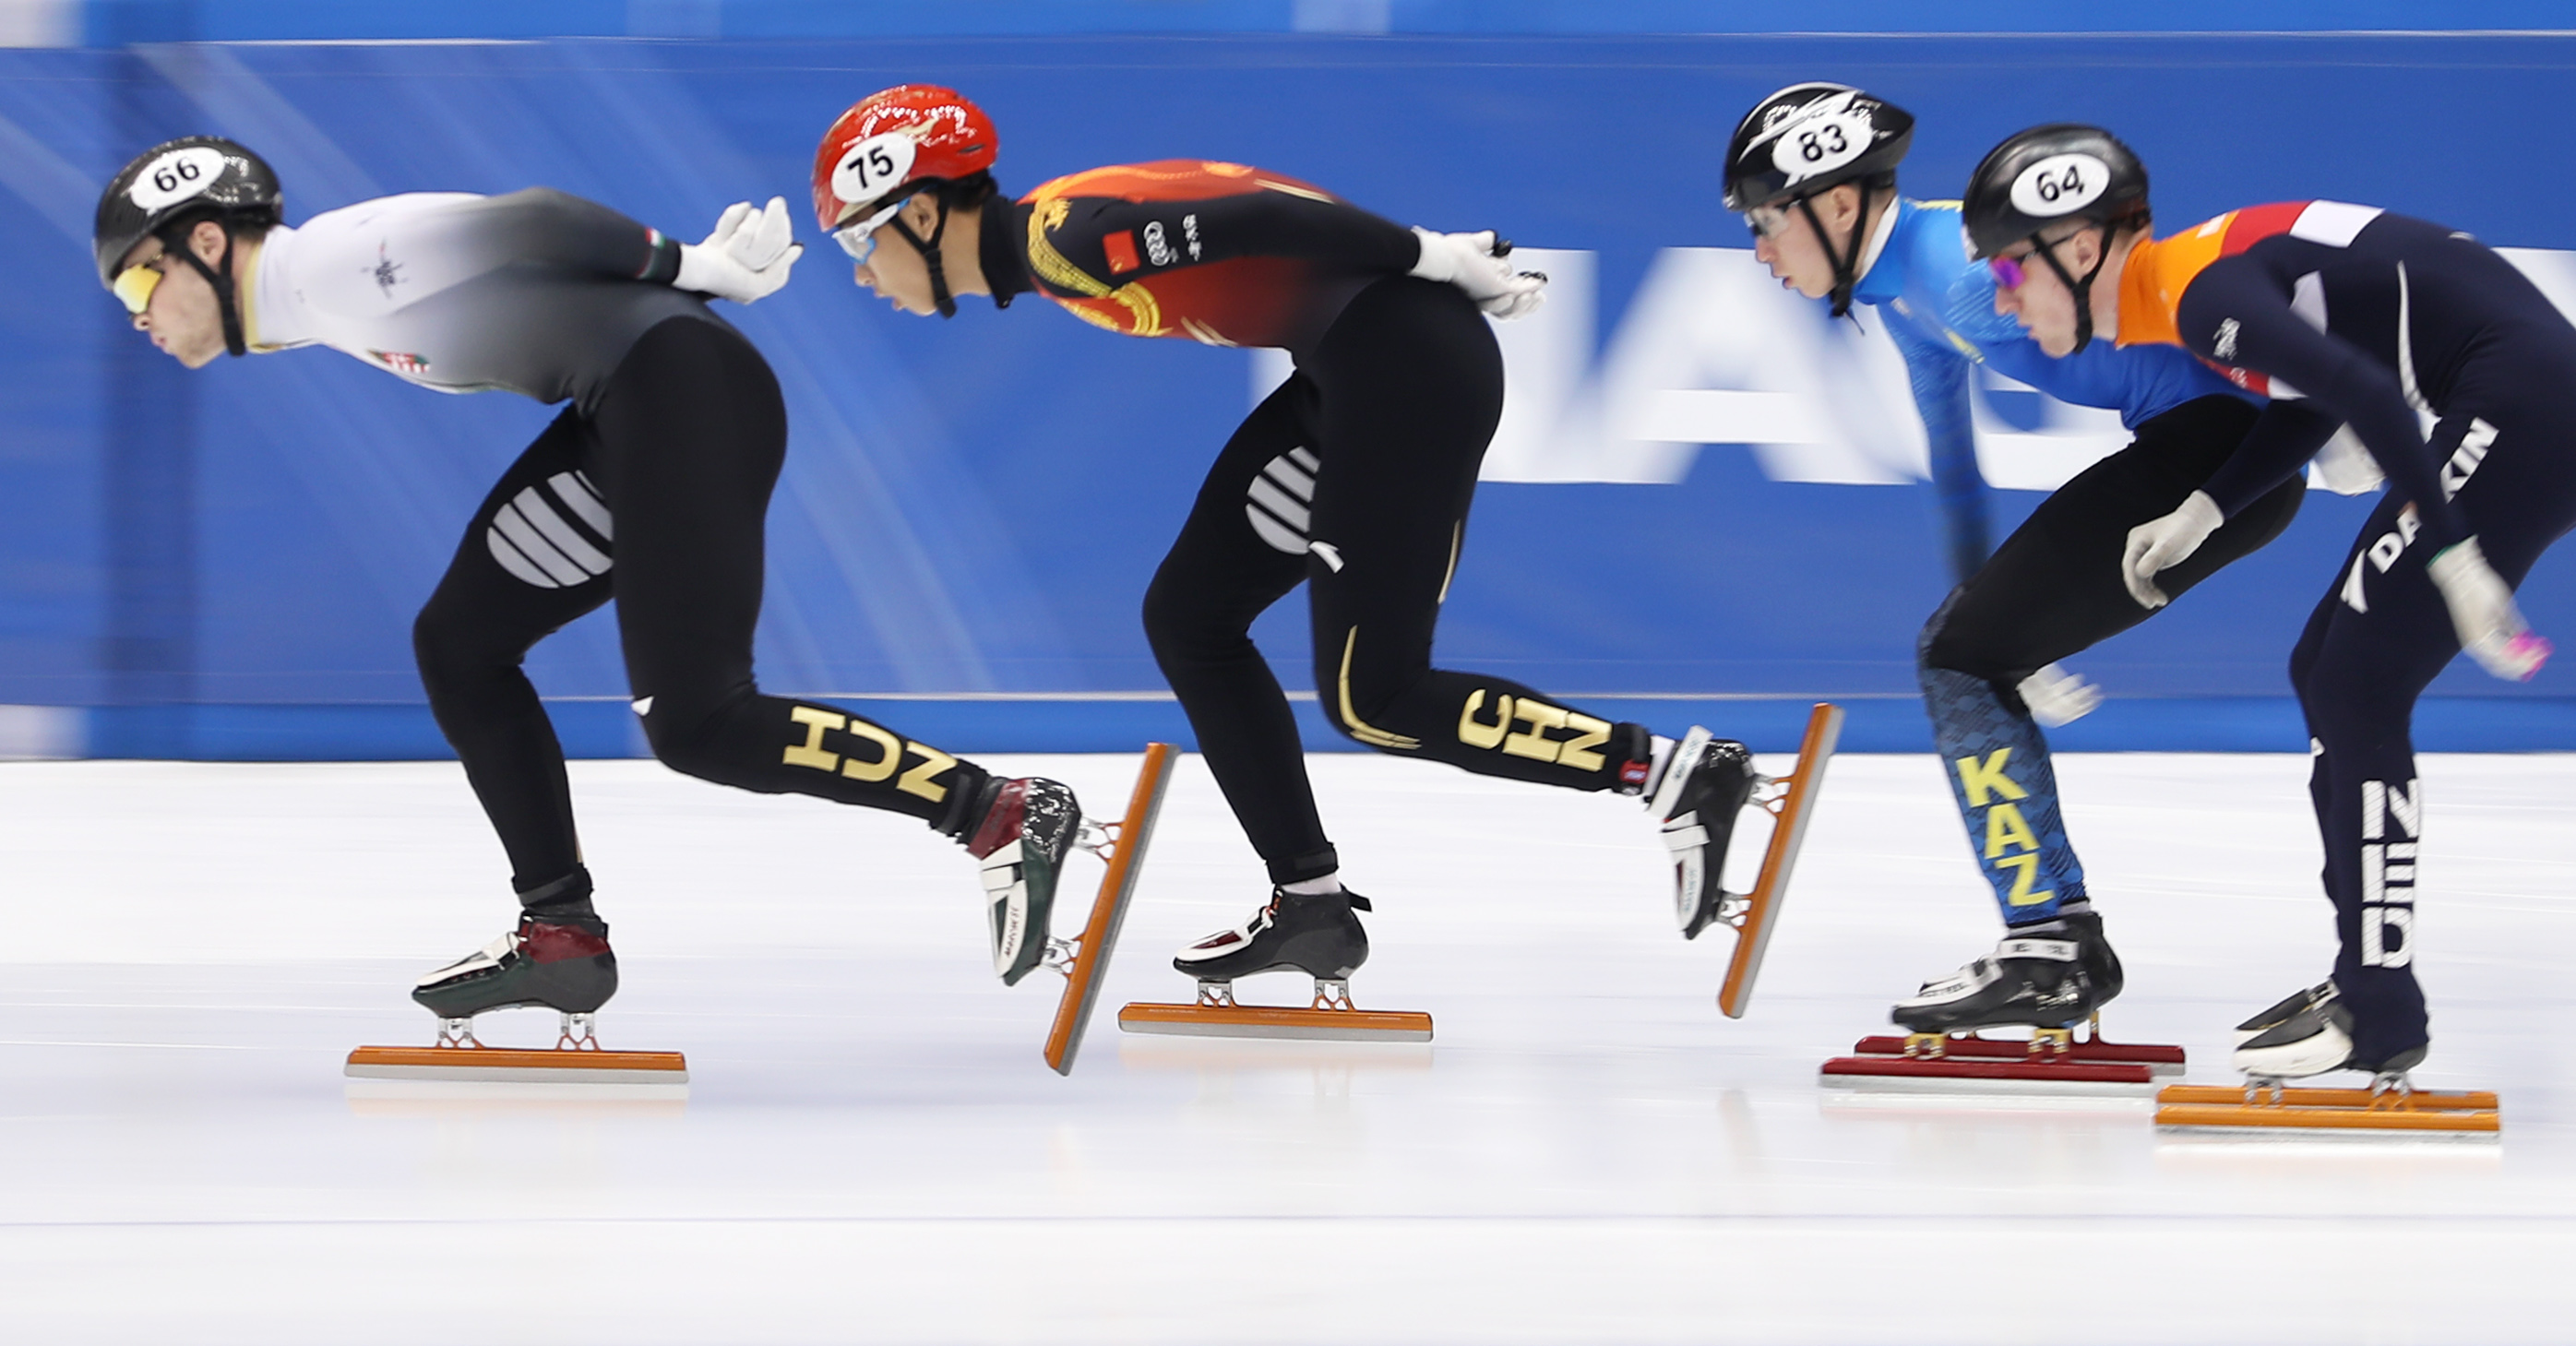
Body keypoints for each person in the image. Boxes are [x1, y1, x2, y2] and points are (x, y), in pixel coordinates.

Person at [94, 136, 1087, 1037]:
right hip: (632, 409)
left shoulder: (325, 265)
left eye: (140, 280)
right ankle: (558, 932)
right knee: (460, 647)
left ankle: (997, 810)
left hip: (675, 394)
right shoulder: (299, 304)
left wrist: (700, 269)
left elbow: (532, 219)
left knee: (698, 721)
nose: (137, 314)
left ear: (212, 244)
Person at [808, 85, 1771, 994]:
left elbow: (1271, 218)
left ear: (924, 213)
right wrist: (1417, 265)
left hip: (1401, 373)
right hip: (1357, 370)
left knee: (1377, 696)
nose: (861, 272)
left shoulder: (1068, 241)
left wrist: (1428, 257)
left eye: (860, 239)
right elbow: (1263, 209)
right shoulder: (1059, 234)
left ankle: (1673, 774)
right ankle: (1308, 907)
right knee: (1190, 618)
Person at [1963, 122, 2558, 1083]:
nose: (2003, 301)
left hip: (2518, 402)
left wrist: (2451, 555)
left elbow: (2362, 388)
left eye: (2003, 273)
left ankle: (2378, 1005)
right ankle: (2368, 982)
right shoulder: (2185, 284)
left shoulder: (2200, 298)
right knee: (2324, 669)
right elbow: (2312, 397)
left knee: (2357, 683)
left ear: (2077, 249)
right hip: (2519, 390)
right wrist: (2203, 510)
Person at [1723, 86, 2314, 1038]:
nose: (1757, 251)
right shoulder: (1908, 295)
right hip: (2200, 448)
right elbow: (1953, 467)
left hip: (2216, 454)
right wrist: (1992, 625)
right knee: (1959, 648)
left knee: (1956, 653)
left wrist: (2317, 412)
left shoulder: (1956, 272)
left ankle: (2048, 946)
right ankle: (2050, 937)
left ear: (1836, 205)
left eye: (1762, 221)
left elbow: (2166, 286)